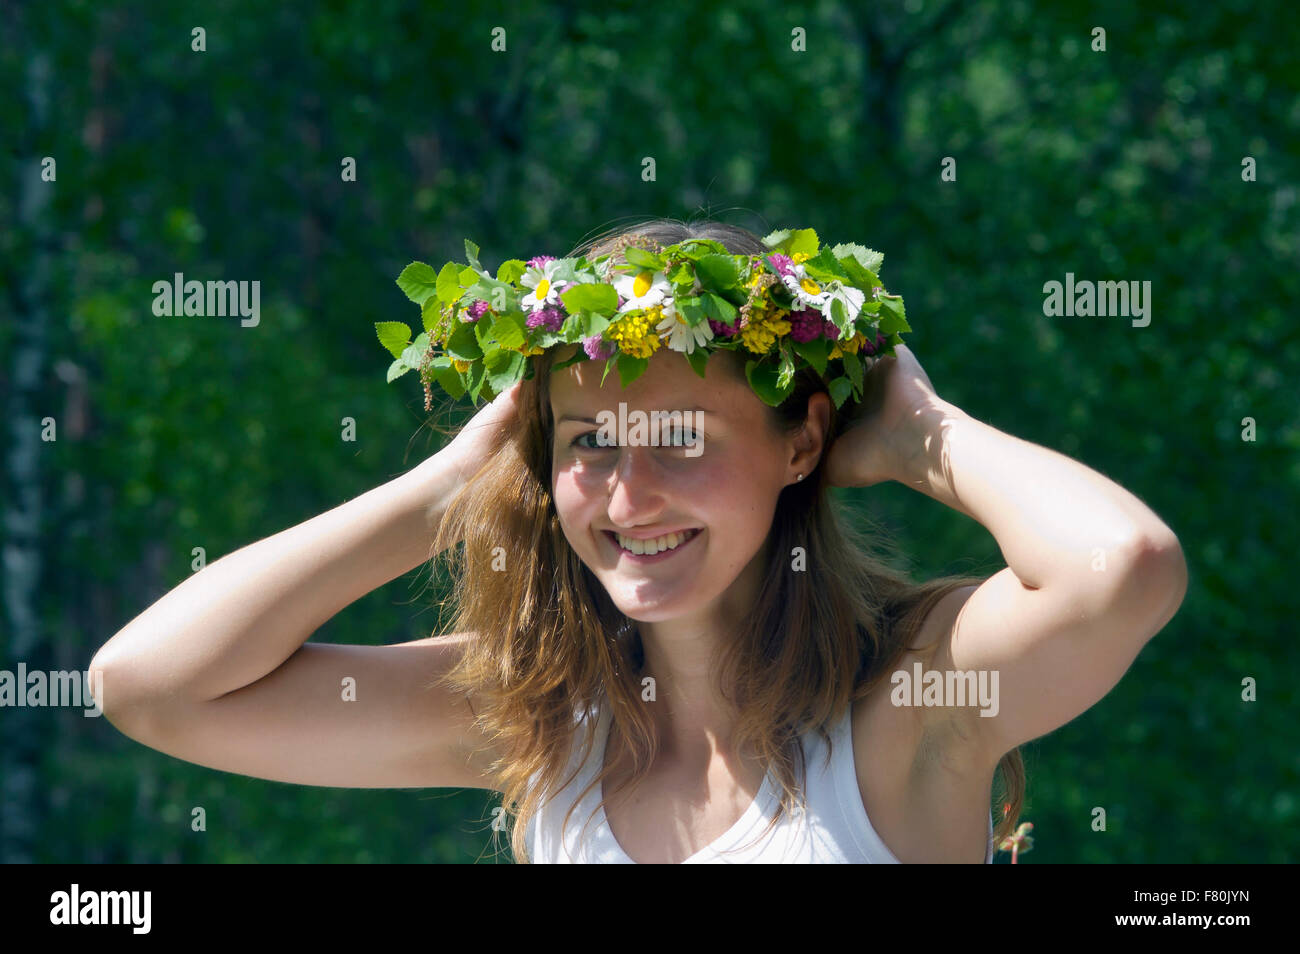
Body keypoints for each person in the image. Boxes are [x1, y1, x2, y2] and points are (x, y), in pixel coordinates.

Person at [89, 219, 1188, 864]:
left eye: (679, 438)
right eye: (587, 443)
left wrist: (918, 436)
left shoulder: (905, 710)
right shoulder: (537, 726)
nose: (630, 493)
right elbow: (151, 687)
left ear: (802, 444)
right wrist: (449, 491)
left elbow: (1121, 567)